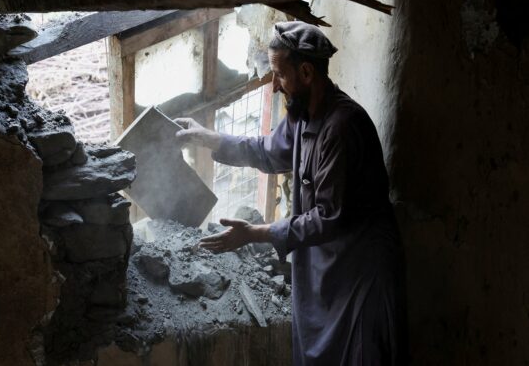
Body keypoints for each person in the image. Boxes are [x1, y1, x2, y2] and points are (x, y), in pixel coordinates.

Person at [175, 21, 408, 366]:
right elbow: (268, 152)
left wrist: (255, 233)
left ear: (307, 73)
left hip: (361, 272)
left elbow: (327, 218)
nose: (274, 86)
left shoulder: (342, 127)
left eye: (280, 75)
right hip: (330, 263)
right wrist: (209, 138)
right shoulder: (303, 115)